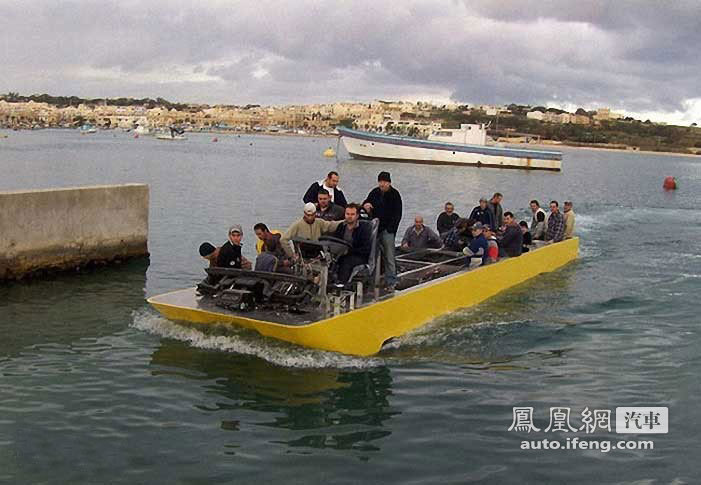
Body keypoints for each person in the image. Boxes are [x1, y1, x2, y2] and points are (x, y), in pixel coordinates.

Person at [363, 171, 402, 288]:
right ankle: (372, 280)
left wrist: (391, 229)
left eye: (384, 182)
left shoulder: (395, 194)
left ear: (389, 183)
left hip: (388, 230)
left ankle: (391, 280)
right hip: (375, 229)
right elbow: (366, 202)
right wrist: (366, 205)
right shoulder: (374, 192)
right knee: (372, 255)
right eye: (380, 182)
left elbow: (398, 214)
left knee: (389, 255)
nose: (382, 184)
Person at [332, 203, 373, 284]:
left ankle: (342, 285)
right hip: (341, 253)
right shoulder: (341, 226)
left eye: (352, 214)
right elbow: (335, 240)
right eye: (347, 214)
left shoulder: (363, 228)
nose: (349, 216)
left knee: (346, 263)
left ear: (357, 215)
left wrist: (350, 251)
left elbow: (366, 248)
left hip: (358, 256)